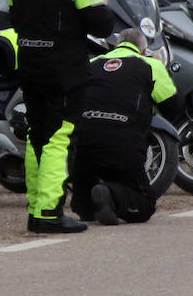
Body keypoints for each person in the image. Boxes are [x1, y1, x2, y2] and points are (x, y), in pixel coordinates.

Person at [7, 0, 115, 233]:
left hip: (29, 64)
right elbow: (102, 24)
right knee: (58, 137)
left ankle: (35, 206)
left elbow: (14, 18)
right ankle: (49, 213)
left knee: (35, 134)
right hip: (64, 69)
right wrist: (102, 2)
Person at [70, 28, 183, 225]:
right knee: (145, 205)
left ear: (117, 44)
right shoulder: (150, 65)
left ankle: (85, 204)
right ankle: (110, 194)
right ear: (144, 49)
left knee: (86, 204)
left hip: (84, 145)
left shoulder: (94, 63)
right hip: (123, 145)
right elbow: (172, 107)